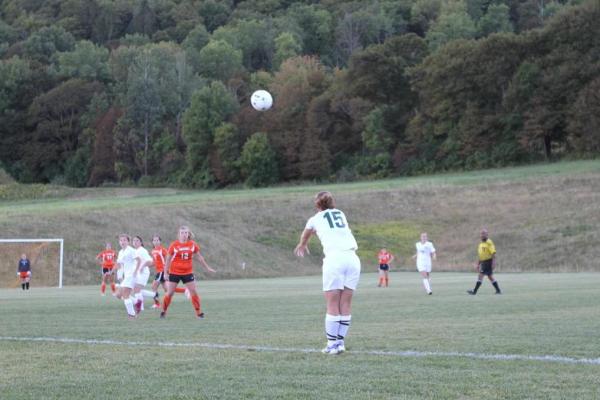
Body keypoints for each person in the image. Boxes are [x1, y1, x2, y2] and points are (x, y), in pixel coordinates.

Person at [294, 191, 360, 355]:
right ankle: (340, 343)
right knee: (345, 303)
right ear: (332, 203)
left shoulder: (314, 219)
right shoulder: (341, 214)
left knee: (332, 304)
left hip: (335, 259)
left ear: (317, 205)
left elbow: (307, 232)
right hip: (352, 258)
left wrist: (302, 244)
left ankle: (331, 344)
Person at [160, 226, 216, 319]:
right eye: (182, 233)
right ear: (179, 234)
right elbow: (168, 259)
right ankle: (163, 311)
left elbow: (199, 257)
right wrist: (165, 273)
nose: (184, 235)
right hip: (174, 272)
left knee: (193, 291)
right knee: (169, 293)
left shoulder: (192, 244)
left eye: (186, 233)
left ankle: (199, 313)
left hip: (187, 272)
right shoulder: (174, 245)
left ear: (188, 234)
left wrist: (207, 267)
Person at [150, 235, 187, 309]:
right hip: (159, 271)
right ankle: (186, 290)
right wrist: (145, 266)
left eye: (157, 240)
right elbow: (154, 262)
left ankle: (157, 304)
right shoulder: (153, 251)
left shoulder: (163, 250)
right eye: (154, 240)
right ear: (152, 242)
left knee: (153, 287)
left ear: (160, 241)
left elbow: (169, 259)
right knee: (168, 289)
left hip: (162, 271)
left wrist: (169, 269)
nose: (156, 242)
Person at [467, 228, 502, 295]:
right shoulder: (481, 244)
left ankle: (474, 291)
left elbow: (493, 253)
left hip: (488, 262)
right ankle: (498, 290)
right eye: (481, 234)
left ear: (487, 235)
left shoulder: (489, 242)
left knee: (480, 275)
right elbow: (481, 255)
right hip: (483, 262)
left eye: (484, 234)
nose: (482, 235)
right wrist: (478, 264)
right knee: (490, 277)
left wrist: (493, 263)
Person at [115, 234, 138, 319]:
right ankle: (136, 301)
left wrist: (135, 271)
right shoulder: (121, 252)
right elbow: (120, 265)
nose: (122, 242)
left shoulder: (131, 250)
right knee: (117, 295)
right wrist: (119, 275)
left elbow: (138, 261)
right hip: (126, 277)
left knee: (125, 295)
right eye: (121, 240)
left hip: (131, 276)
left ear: (128, 242)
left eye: (124, 240)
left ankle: (131, 315)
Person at [132, 236, 153, 314]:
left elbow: (150, 261)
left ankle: (140, 307)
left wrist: (142, 267)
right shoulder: (134, 251)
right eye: (134, 240)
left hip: (143, 273)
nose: (135, 242)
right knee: (136, 290)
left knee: (137, 290)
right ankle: (154, 295)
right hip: (137, 273)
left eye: (137, 240)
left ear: (141, 242)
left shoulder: (142, 250)